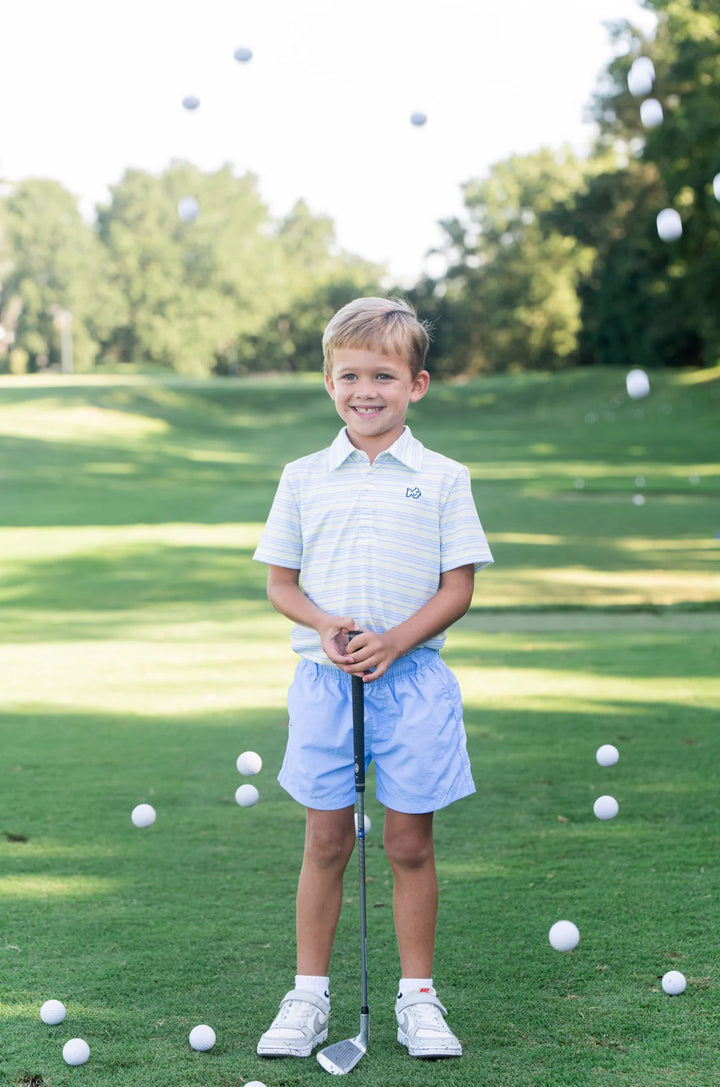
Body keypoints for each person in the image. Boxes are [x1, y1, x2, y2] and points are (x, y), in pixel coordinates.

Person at [252, 296, 493, 1060]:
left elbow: (458, 587)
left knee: (408, 843)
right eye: (350, 374)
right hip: (326, 683)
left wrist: (394, 641)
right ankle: (308, 996)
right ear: (329, 382)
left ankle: (418, 998)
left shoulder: (446, 477)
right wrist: (325, 625)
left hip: (413, 680)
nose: (366, 389)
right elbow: (280, 583)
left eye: (383, 376)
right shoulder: (302, 476)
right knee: (326, 840)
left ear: (415, 384)